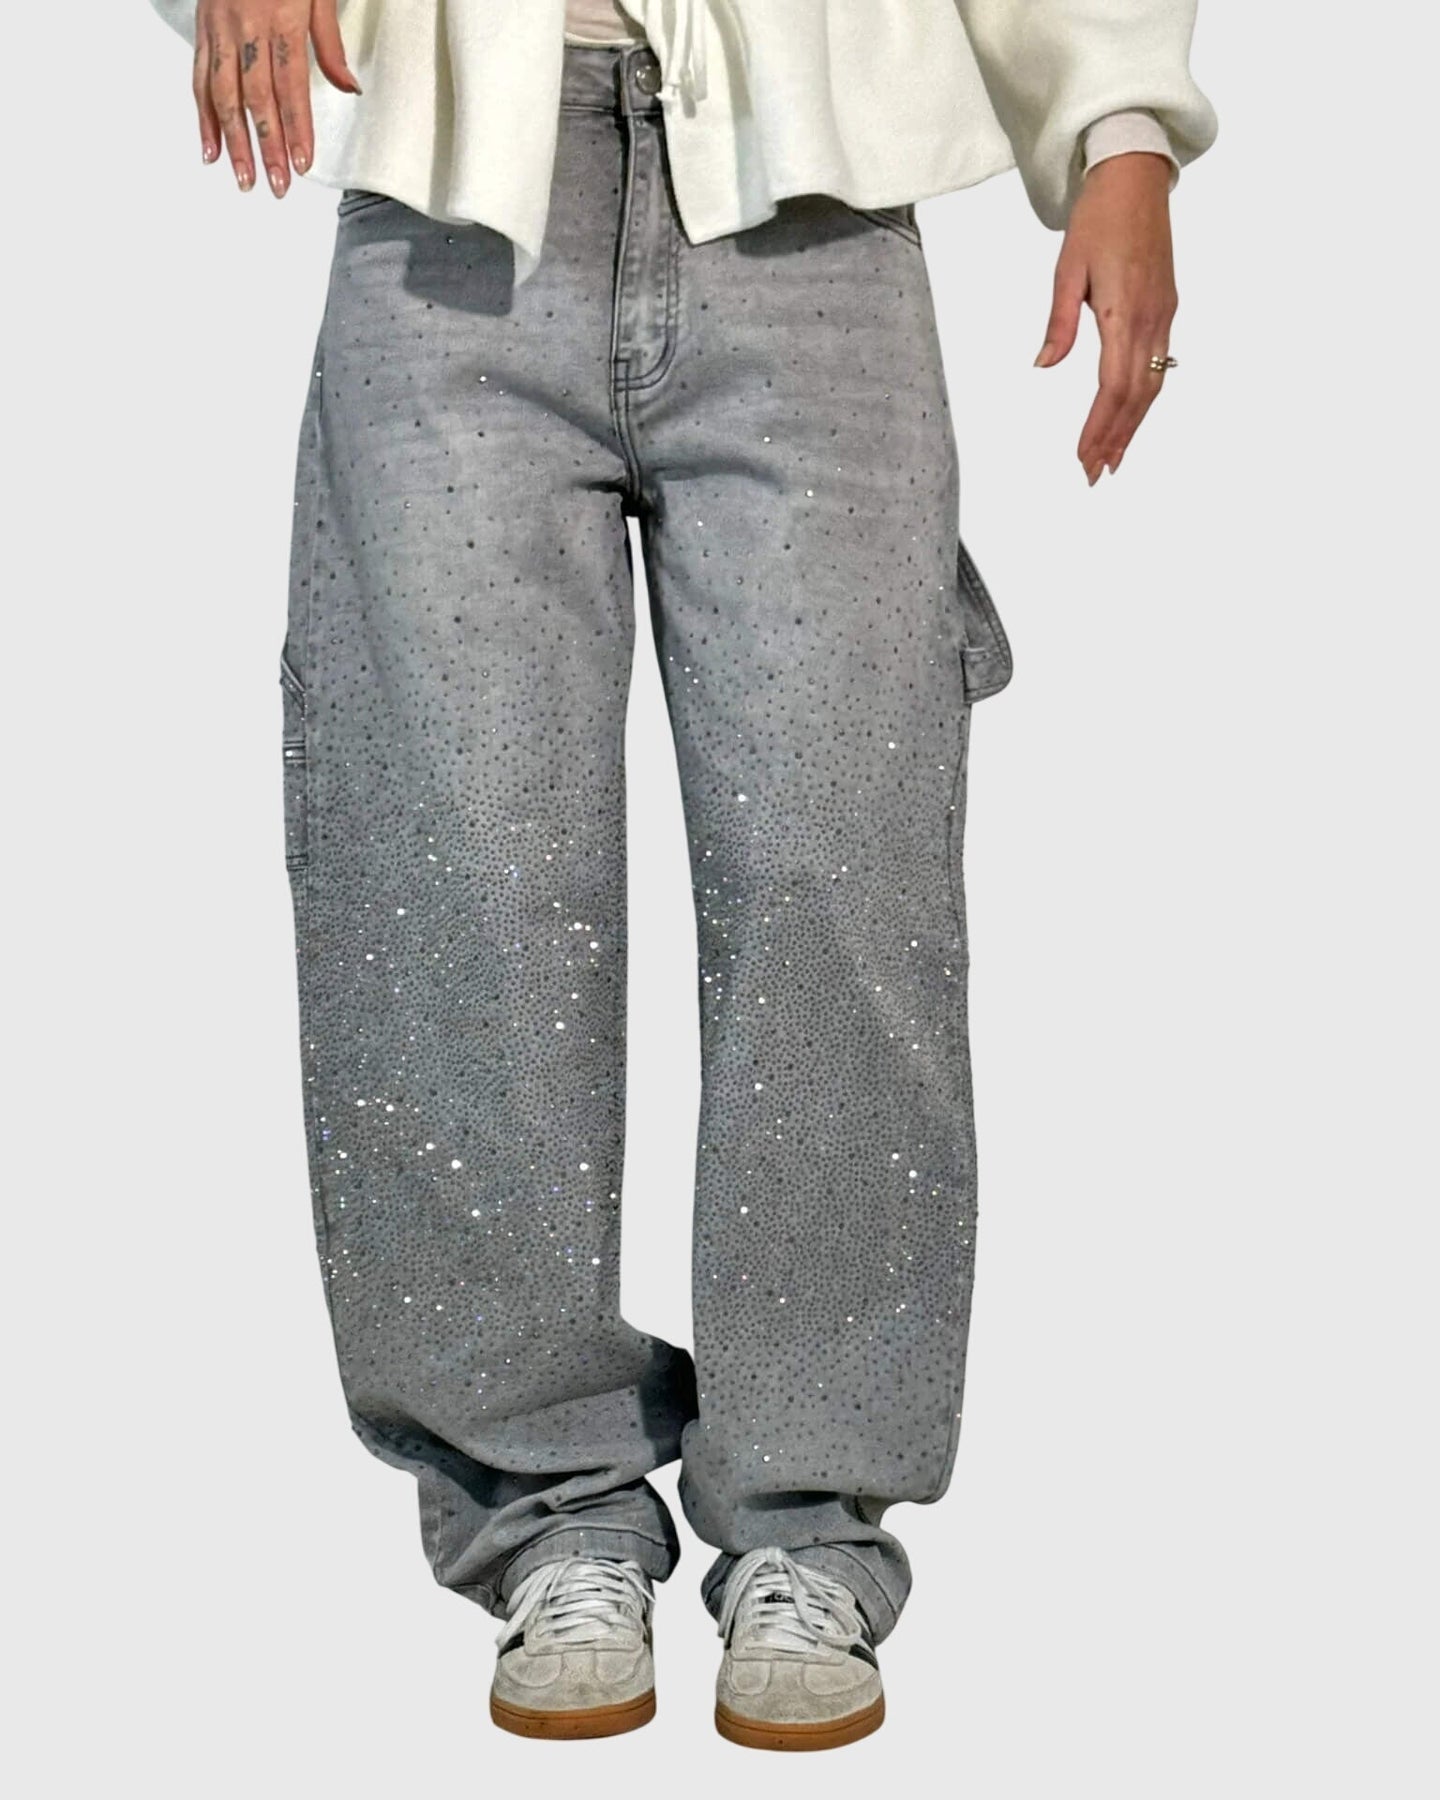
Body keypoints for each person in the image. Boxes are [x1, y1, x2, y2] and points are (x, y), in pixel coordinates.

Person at [150, 0, 1216, 1752]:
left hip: (814, 217)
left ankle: (809, 1521)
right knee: (453, 878)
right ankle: (543, 1511)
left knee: (837, 870)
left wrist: (1120, 126)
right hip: (451, 206)